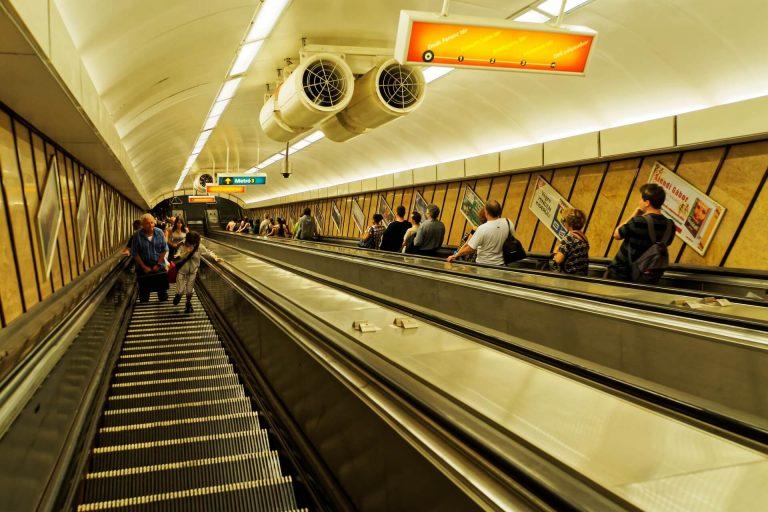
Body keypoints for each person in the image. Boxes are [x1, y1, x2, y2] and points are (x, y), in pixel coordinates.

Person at [607, 183, 675, 281]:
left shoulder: (638, 221)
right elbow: (665, 243)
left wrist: (635, 213)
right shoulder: (670, 225)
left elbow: (617, 234)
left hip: (622, 273)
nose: (639, 202)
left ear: (647, 202)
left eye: (641, 199)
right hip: (646, 277)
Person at [447, 200, 511, 266]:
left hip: (483, 265)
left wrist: (455, 255)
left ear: (486, 212)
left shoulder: (481, 229)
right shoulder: (508, 223)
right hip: (501, 265)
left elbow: (469, 247)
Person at [172, 231, 218, 313]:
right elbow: (178, 254)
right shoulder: (182, 245)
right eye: (190, 243)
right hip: (182, 271)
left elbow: (207, 252)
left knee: (189, 291)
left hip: (193, 272)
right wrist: (182, 254)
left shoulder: (199, 247)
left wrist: (215, 258)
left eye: (194, 243)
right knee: (180, 289)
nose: (192, 245)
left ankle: (188, 303)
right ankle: (178, 295)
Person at [131, 213, 169, 302]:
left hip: (159, 266)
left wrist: (158, 264)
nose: (150, 225)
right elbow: (134, 253)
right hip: (143, 268)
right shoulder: (137, 235)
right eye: (147, 223)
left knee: (163, 295)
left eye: (152, 222)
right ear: (142, 225)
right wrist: (144, 267)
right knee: (144, 296)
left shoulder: (159, 232)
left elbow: (164, 249)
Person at [549, 208, 590, 275]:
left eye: (564, 220)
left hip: (569, 278)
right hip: (582, 276)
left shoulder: (569, 238)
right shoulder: (584, 238)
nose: (563, 223)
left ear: (569, 223)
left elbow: (558, 260)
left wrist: (555, 252)